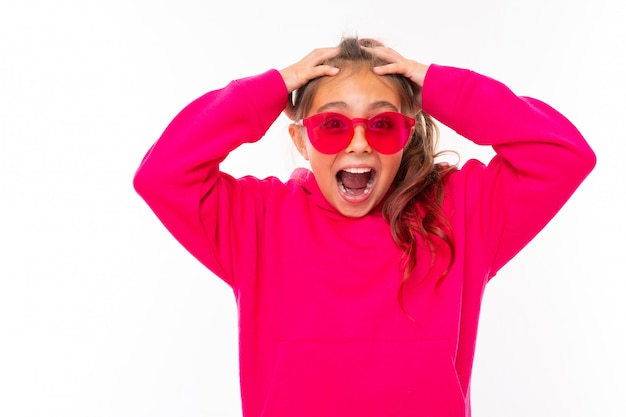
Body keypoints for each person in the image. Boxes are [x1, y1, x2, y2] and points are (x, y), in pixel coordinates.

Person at [133, 37, 596, 416]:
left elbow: (562, 156)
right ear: (300, 138)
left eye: (382, 124)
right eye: (333, 125)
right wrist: (271, 89)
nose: (358, 142)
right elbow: (162, 175)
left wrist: (439, 87)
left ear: (408, 132)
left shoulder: (460, 212)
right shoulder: (255, 219)